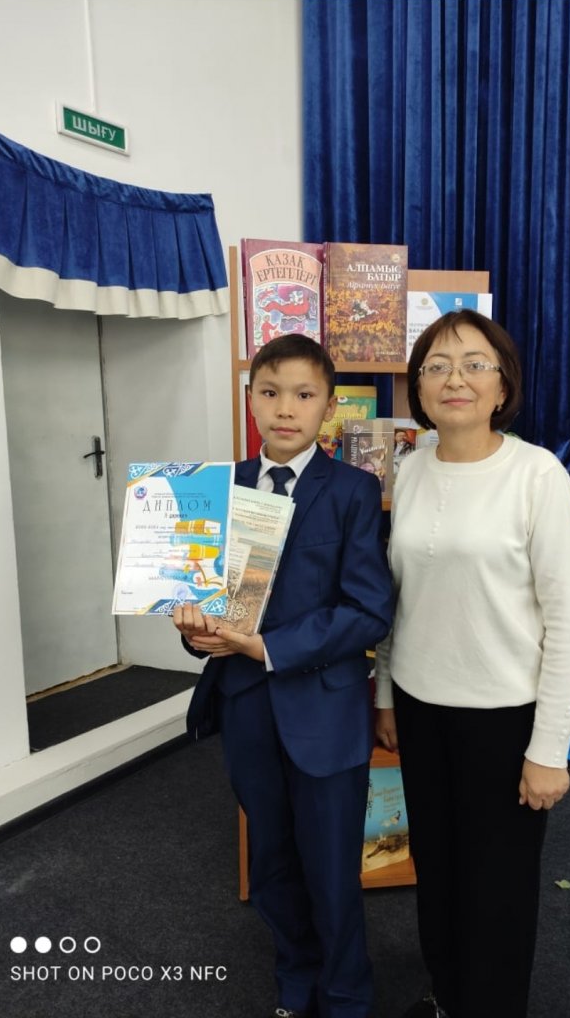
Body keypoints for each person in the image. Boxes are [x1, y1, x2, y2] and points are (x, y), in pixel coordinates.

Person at [374, 309, 570, 1018]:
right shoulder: (409, 469)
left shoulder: (536, 474)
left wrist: (549, 748)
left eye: (473, 364)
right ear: (417, 388)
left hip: (504, 716)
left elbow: (568, 620)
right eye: (435, 367)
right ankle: (446, 996)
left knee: (498, 887)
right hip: (419, 704)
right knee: (435, 868)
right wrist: (385, 696)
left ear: (503, 385)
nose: (454, 379)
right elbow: (398, 597)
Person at [174, 333, 394, 1018]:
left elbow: (368, 611)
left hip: (324, 710)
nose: (285, 408)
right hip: (246, 705)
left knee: (331, 866)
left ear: (328, 405)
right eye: (270, 393)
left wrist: (266, 646)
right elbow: (207, 598)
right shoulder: (217, 489)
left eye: (303, 394)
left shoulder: (354, 490)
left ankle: (347, 993)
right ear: (251, 400)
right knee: (270, 858)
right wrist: (195, 629)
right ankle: (295, 977)